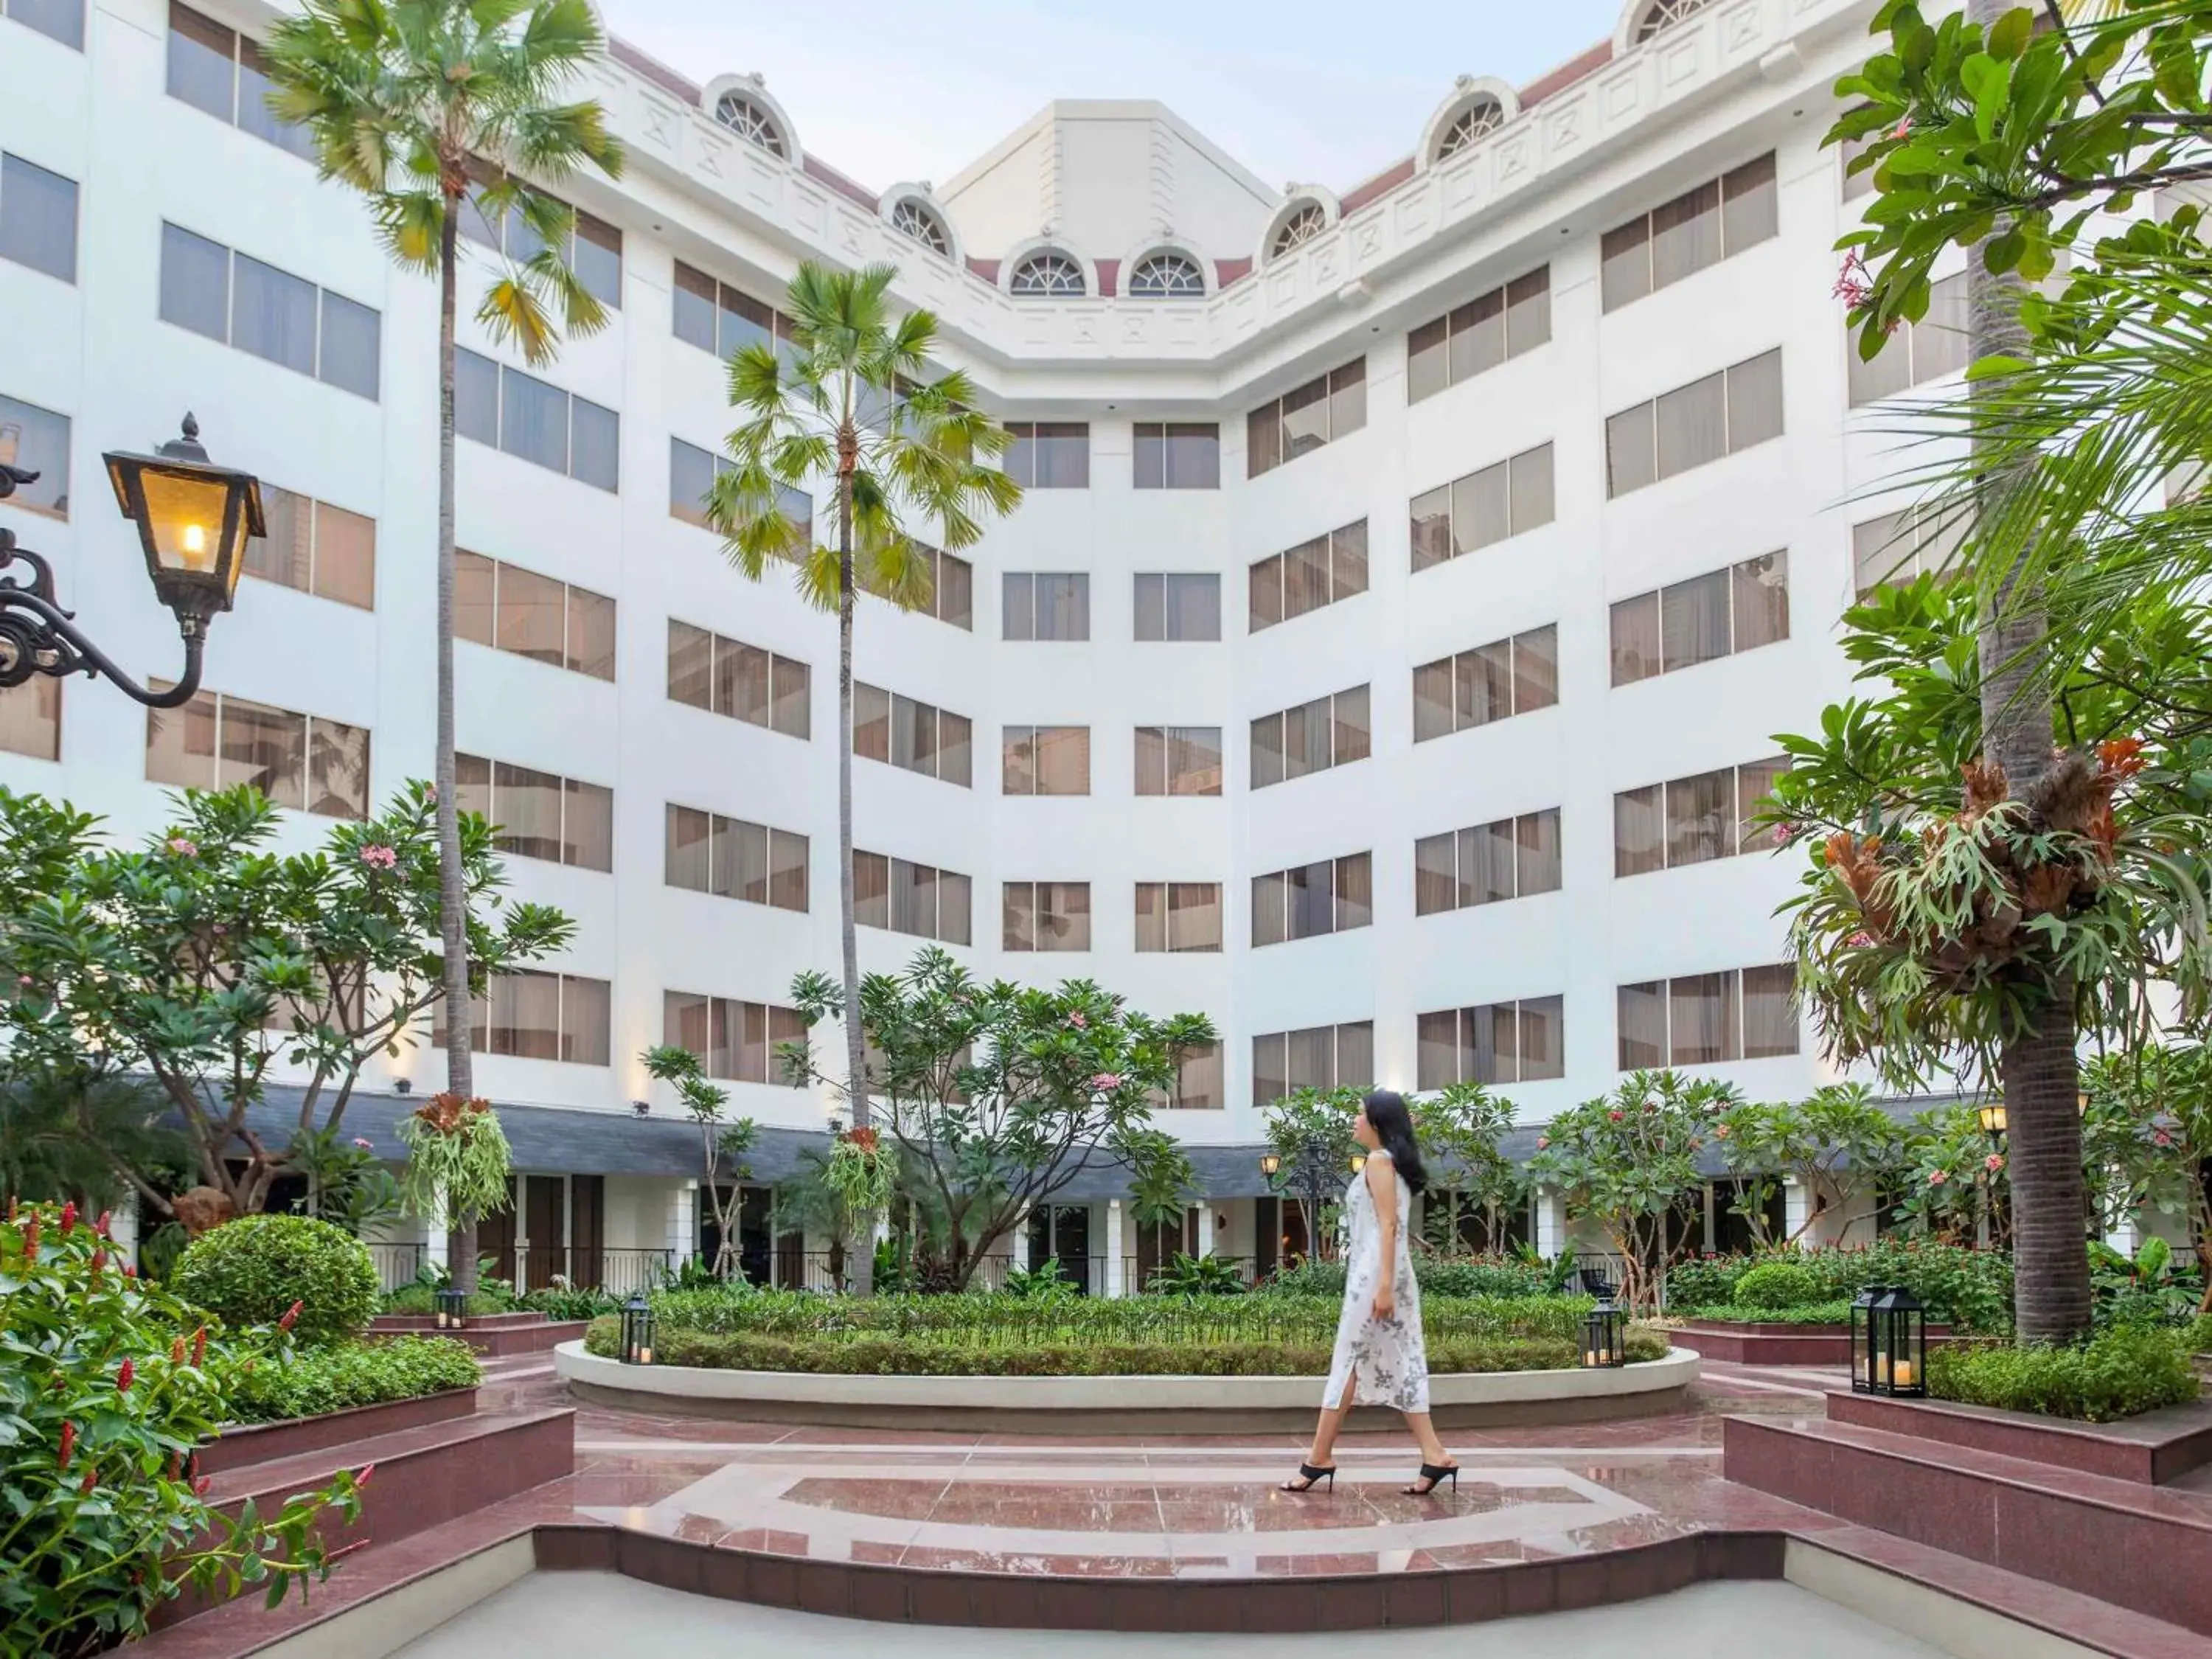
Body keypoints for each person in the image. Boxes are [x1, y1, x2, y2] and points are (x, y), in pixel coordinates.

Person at [1280, 1089, 1459, 1497]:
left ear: (1377, 1122)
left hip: (1377, 1275)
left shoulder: (1379, 1162)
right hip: (1386, 1273)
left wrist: (1382, 1286)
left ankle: (1319, 1458)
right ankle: (1435, 1454)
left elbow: (1389, 1226)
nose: (1354, 1121)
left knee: (1347, 1360)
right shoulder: (1389, 1164)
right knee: (1402, 1360)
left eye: (1360, 1114)